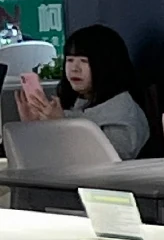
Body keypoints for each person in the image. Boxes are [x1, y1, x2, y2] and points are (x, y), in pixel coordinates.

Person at [14, 23, 150, 157]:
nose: (74, 68)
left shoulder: (122, 111)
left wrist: (62, 125)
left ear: (106, 65)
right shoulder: (71, 105)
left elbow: (115, 157)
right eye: (70, 60)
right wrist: (33, 126)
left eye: (84, 61)